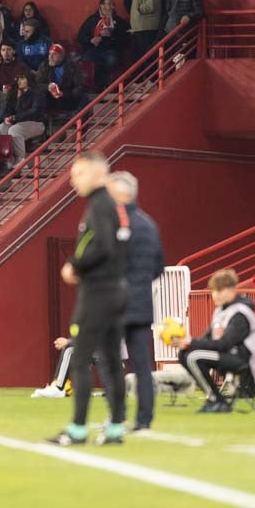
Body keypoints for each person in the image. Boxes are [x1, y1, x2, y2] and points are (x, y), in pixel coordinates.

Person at [48, 152, 128, 447]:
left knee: (80, 360)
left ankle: (78, 430)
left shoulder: (99, 205)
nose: (72, 181)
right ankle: (116, 429)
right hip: (115, 291)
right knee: (110, 361)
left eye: (78, 174)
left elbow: (103, 246)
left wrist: (75, 266)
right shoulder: (113, 205)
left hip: (97, 295)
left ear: (96, 174)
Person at [106, 171, 163, 432]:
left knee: (112, 360)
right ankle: (145, 419)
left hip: (115, 301)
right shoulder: (149, 224)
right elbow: (158, 267)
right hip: (141, 302)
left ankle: (116, 416)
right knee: (141, 363)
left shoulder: (115, 222)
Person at [174, 269, 255, 412]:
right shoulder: (221, 311)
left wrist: (191, 342)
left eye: (220, 291)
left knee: (193, 356)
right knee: (184, 353)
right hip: (228, 354)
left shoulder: (240, 313)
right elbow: (208, 338)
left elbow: (225, 344)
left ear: (232, 291)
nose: (215, 295)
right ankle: (214, 398)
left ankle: (216, 400)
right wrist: (186, 343)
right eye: (214, 291)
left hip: (244, 359)